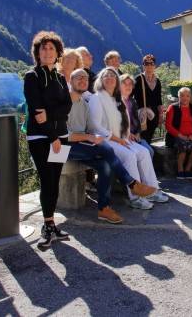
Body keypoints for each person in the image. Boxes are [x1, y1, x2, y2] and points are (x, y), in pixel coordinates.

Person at [66, 69, 156, 224]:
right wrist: (90, 137)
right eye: (78, 77)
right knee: (106, 148)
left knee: (106, 165)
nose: (82, 80)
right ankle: (132, 183)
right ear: (70, 81)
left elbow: (91, 127)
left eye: (85, 78)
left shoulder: (84, 105)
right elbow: (63, 135)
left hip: (81, 145)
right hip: (61, 149)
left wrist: (95, 137)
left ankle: (103, 208)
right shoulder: (63, 103)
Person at [88, 68, 167, 208]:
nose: (110, 78)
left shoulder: (116, 99)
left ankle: (151, 190)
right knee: (130, 156)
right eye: (106, 76)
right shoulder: (97, 98)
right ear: (100, 80)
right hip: (104, 141)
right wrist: (118, 139)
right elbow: (95, 126)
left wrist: (125, 137)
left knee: (143, 152)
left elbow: (123, 123)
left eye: (113, 75)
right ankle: (135, 197)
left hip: (120, 138)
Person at [23, 31, 72, 249]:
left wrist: (51, 115)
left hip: (63, 136)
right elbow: (36, 109)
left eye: (52, 48)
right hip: (41, 137)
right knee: (47, 180)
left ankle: (52, 225)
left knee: (56, 179)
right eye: (43, 48)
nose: (48, 51)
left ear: (57, 52)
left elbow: (67, 107)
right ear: (37, 52)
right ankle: (47, 224)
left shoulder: (61, 77)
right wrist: (53, 136)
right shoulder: (31, 77)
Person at [165, 87, 192, 179]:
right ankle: (180, 170)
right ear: (178, 97)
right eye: (182, 96)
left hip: (191, 136)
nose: (185, 98)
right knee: (182, 145)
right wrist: (181, 136)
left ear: (190, 97)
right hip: (176, 136)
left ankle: (187, 169)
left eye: (187, 96)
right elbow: (168, 126)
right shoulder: (173, 107)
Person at [120, 73, 154, 158]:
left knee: (150, 151)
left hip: (135, 136)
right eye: (125, 84)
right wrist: (127, 133)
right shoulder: (116, 102)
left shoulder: (133, 101)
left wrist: (138, 133)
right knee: (141, 154)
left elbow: (137, 121)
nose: (128, 87)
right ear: (119, 86)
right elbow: (117, 122)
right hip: (123, 136)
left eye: (130, 84)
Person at [132, 54, 163, 144]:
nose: (149, 66)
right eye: (146, 64)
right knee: (142, 136)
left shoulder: (157, 81)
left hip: (154, 114)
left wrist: (161, 114)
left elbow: (159, 99)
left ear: (155, 66)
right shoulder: (138, 79)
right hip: (142, 114)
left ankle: (148, 155)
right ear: (143, 66)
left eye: (151, 63)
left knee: (149, 137)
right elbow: (130, 95)